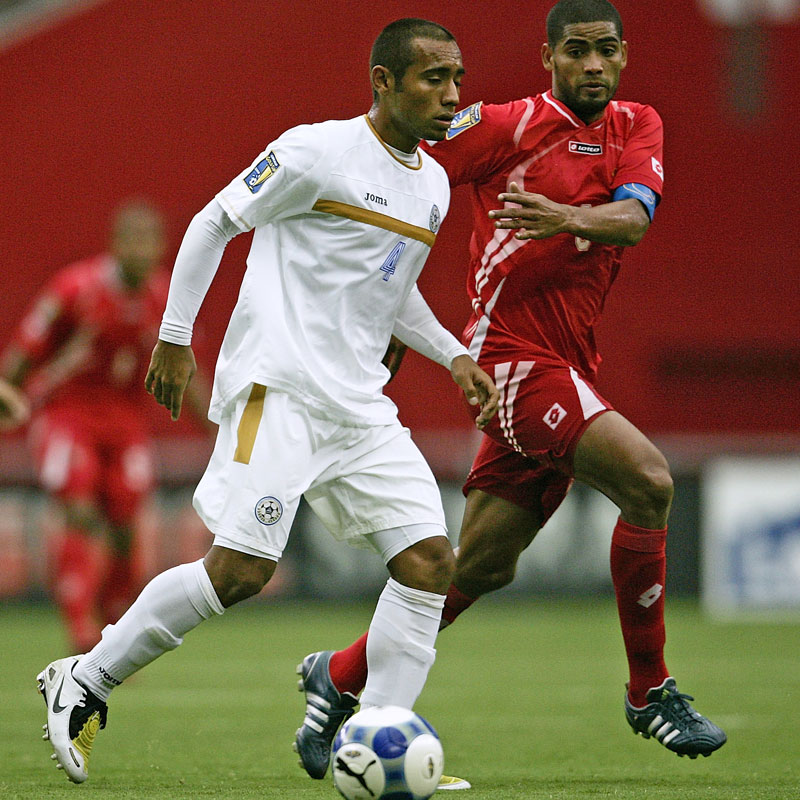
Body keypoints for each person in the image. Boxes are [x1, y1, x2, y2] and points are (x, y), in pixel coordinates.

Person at [35, 18, 499, 785]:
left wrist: (452, 354)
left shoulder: (434, 186)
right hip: (278, 390)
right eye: (432, 78)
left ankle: (378, 736)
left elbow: (392, 287)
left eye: (457, 78)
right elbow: (213, 221)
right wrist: (175, 338)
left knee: (428, 562)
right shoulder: (316, 152)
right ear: (383, 82)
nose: (452, 95)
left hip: (358, 408)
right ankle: (85, 677)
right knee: (240, 572)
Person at [293, 0, 727, 786]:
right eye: (576, 51)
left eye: (604, 51)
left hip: (570, 363)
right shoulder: (504, 124)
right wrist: (387, 301)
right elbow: (403, 181)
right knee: (650, 482)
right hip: (512, 362)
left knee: (482, 567)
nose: (591, 65)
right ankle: (650, 690)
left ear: (623, 56)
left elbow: (633, 219)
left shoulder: (638, 124)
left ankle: (341, 674)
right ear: (548, 57)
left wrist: (562, 216)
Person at [1, 201, 195, 653]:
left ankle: (112, 623)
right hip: (68, 414)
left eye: (150, 241)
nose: (141, 250)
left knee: (126, 523)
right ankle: (80, 629)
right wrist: (8, 392)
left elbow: (186, 366)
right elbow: (27, 348)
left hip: (125, 421)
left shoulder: (164, 297)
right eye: (133, 240)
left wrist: (212, 424)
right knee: (80, 510)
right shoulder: (75, 289)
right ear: (114, 244)